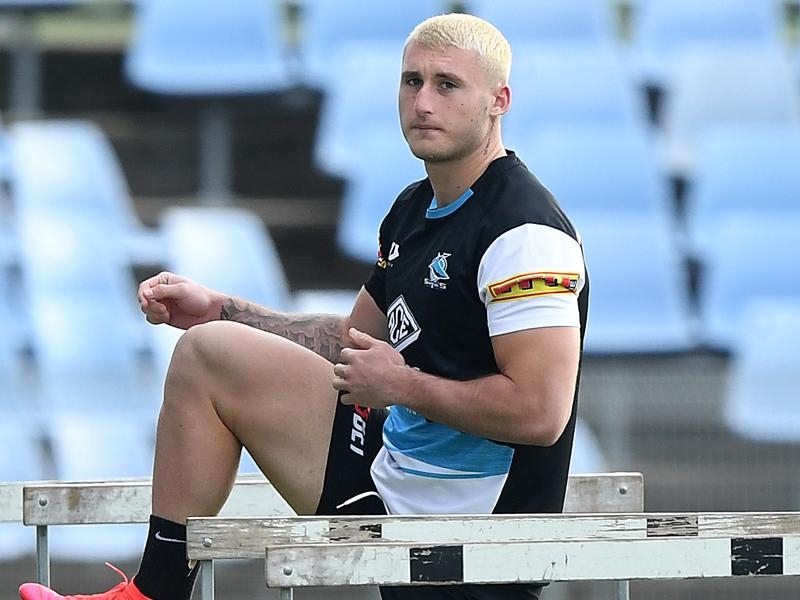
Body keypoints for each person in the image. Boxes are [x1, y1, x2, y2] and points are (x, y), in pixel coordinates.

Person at [19, 12, 588, 600]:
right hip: (391, 487)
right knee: (207, 352)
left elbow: (540, 414)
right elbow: (352, 340)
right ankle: (151, 594)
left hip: (473, 546)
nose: (422, 102)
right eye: (411, 81)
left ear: (499, 101)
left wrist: (404, 386)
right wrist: (221, 309)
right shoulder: (413, 209)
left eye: (447, 85)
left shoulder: (524, 232)